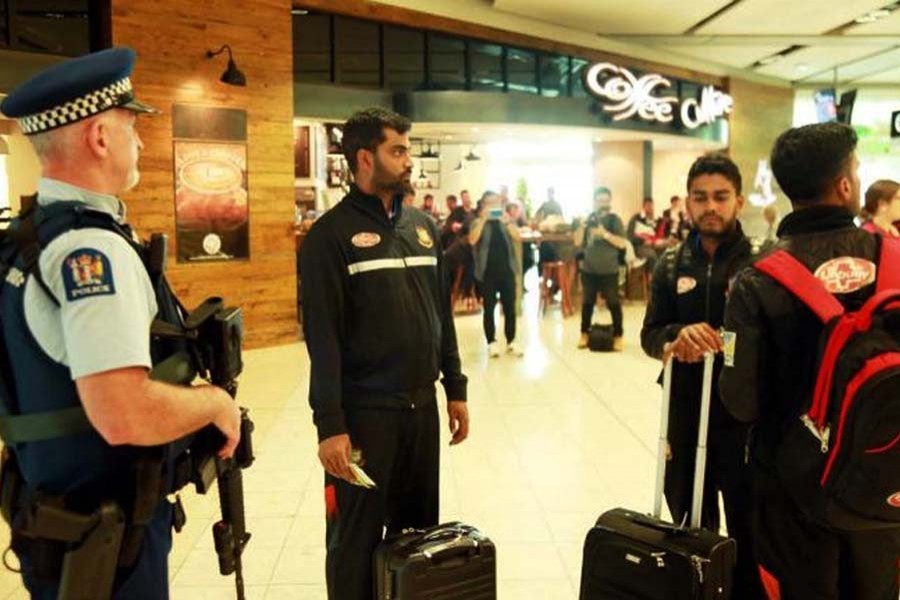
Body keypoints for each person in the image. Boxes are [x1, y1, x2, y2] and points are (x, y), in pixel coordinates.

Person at [0, 47, 241, 599]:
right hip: (105, 540)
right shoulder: (92, 253)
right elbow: (122, 414)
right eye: (132, 125)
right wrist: (215, 404)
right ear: (100, 136)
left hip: (59, 518)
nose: (141, 141)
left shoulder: (29, 240)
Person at [720, 122, 900, 600]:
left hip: (791, 489)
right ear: (844, 186)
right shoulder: (896, 259)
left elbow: (739, 400)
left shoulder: (755, 280)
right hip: (883, 477)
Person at [300, 107, 469, 600]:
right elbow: (323, 339)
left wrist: (454, 388)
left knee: (419, 540)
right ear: (364, 158)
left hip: (421, 412)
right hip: (365, 418)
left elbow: (442, 313)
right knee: (354, 539)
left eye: (407, 150)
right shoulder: (328, 238)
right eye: (397, 151)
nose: (407, 161)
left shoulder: (422, 227)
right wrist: (330, 425)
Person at [640, 154, 764, 599]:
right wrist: (677, 336)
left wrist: (728, 343)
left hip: (743, 418)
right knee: (687, 526)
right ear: (688, 204)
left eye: (720, 197)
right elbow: (650, 335)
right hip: (685, 408)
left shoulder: (760, 264)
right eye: (700, 198)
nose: (710, 206)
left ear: (738, 200)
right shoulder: (670, 264)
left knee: (749, 529)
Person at [470, 191, 523, 357]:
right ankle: (491, 342)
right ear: (483, 205)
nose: (493, 206)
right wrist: (484, 219)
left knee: (509, 308)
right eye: (489, 203)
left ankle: (511, 341)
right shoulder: (478, 222)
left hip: (507, 270)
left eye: (496, 202)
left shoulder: (505, 222)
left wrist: (507, 222)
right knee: (489, 308)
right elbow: (472, 240)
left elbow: (518, 237)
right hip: (487, 273)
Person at [575, 187, 627, 350]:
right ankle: (584, 334)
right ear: (594, 202)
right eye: (600, 201)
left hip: (609, 270)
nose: (603, 204)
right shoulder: (588, 219)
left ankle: (618, 335)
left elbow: (622, 243)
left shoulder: (614, 220)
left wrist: (604, 233)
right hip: (589, 269)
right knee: (587, 303)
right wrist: (581, 227)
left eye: (606, 200)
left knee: (613, 303)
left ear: (610, 201)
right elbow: (577, 242)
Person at [627, 197, 663, 271]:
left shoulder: (653, 220)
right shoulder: (636, 218)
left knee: (664, 251)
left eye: (652, 206)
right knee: (652, 255)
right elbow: (630, 236)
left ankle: (660, 275)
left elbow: (656, 235)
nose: (650, 208)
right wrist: (643, 241)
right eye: (648, 206)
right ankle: (653, 279)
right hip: (638, 246)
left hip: (652, 243)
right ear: (644, 206)